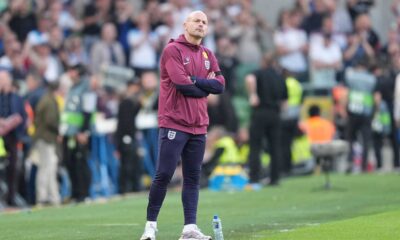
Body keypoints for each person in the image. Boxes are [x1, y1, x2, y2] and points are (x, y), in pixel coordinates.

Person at [140, 10, 225, 240]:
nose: (201, 24)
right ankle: (150, 227)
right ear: (185, 24)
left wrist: (196, 80)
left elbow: (220, 85)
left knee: (193, 177)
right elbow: (181, 84)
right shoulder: (172, 50)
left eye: (205, 22)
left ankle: (189, 228)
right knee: (164, 174)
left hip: (199, 125)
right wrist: (204, 85)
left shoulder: (208, 54)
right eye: (196, 20)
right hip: (174, 122)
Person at [245, 52, 287, 187]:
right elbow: (285, 101)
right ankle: (275, 178)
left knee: (255, 146)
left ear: (263, 61)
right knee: (275, 146)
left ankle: (254, 178)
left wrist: (253, 95)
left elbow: (250, 79)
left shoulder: (259, 73)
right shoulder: (279, 77)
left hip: (260, 112)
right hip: (275, 114)